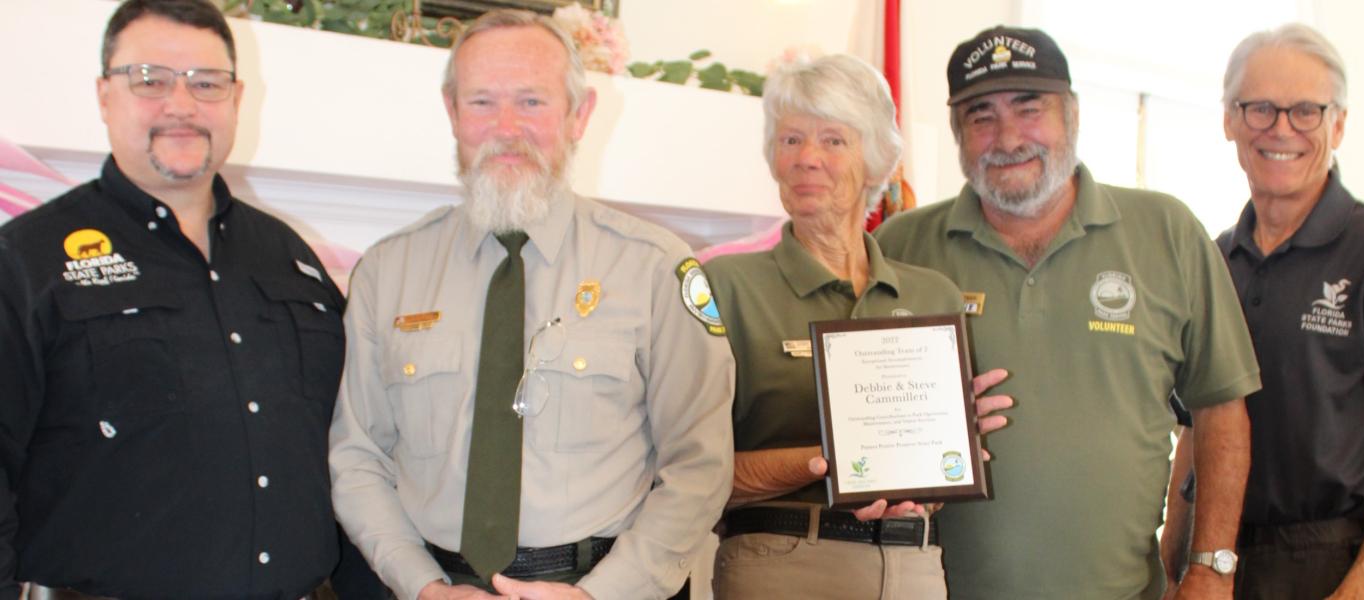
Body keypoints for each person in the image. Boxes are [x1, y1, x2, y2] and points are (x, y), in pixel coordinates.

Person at [327, 9, 734, 600]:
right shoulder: (387, 273)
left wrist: (606, 593)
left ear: (580, 115)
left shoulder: (655, 267)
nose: (507, 126)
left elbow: (700, 463)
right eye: (482, 102)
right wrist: (421, 586)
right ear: (452, 113)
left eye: (533, 102)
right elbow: (358, 456)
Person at [875, 25, 1260, 599]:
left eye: (1030, 109)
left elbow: (1222, 409)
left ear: (1072, 115)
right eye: (981, 117)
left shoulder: (1167, 232)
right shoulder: (901, 246)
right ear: (958, 132)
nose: (1008, 138)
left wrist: (1210, 565)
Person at [0, 0, 359, 597]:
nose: (181, 104)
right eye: (150, 80)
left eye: (206, 83)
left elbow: (348, 449)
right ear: (103, 96)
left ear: (238, 100)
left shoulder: (290, 257)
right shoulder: (26, 261)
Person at [703, 54, 1013, 600]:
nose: (807, 159)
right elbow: (693, 469)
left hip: (914, 564)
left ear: (877, 161)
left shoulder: (932, 296)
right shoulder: (725, 287)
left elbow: (935, 468)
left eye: (833, 140)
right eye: (791, 140)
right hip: (783, 564)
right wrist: (831, 462)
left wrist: (949, 450)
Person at [1206, 23, 1364, 599]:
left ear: (1338, 124)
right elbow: (1196, 429)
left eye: (1305, 111)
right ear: (1230, 120)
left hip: (1334, 563)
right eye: (1260, 108)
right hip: (1219, 558)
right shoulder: (1215, 260)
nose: (1280, 128)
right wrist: (1177, 564)